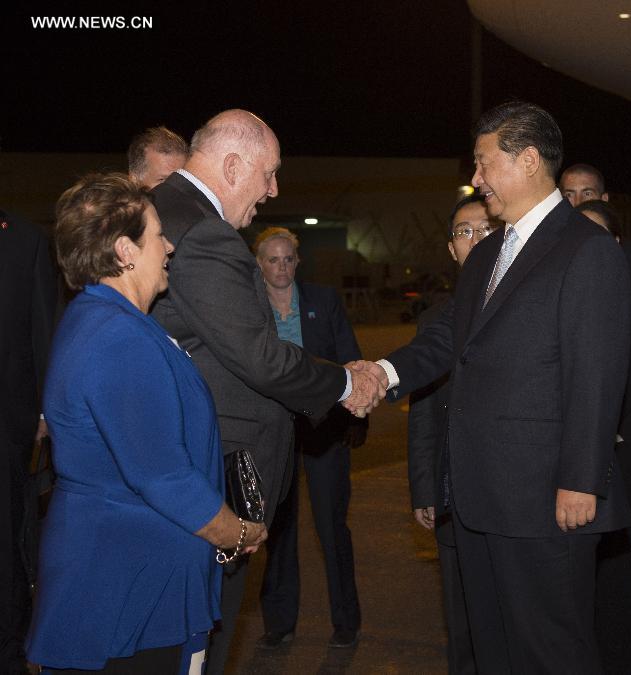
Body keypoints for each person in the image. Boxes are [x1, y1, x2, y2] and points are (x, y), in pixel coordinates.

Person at [349, 101, 631, 673]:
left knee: (552, 652)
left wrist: (581, 480)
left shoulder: (586, 249)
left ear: (528, 161)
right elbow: (449, 339)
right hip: (478, 497)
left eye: (483, 163)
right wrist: (384, 372)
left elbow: (596, 374)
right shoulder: (489, 255)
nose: (475, 179)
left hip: (547, 500)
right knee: (494, 650)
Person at [149, 109, 382, 675]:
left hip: (183, 467)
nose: (273, 190)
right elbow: (255, 355)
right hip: (212, 475)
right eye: (269, 173)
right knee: (198, 638)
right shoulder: (204, 231)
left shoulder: (168, 211)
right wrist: (349, 380)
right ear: (232, 165)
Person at [25, 173, 267, 674]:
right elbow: (161, 475)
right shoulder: (119, 337)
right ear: (124, 251)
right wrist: (237, 532)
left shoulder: (106, 320)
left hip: (125, 575)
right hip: (127, 588)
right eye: (158, 234)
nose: (170, 246)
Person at [253, 227, 366, 650]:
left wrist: (356, 416)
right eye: (272, 260)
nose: (281, 267)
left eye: (288, 259)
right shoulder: (250, 307)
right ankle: (279, 622)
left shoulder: (323, 300)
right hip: (272, 428)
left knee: (331, 525)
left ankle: (346, 621)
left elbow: (348, 355)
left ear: (297, 263)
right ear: (259, 264)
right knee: (278, 528)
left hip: (323, 427)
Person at [407, 194, 496, 673]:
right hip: (451, 487)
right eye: (465, 232)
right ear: (450, 248)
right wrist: (424, 485)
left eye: (485, 229)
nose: (475, 239)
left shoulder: (525, 303)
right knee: (460, 619)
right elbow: (422, 409)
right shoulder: (434, 318)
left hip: (508, 492)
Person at [576, 199, 631, 674]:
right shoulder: (563, 290)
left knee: (614, 569)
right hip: (578, 450)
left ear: (614, 244)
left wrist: (594, 426)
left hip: (619, 446)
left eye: (597, 236)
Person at [0, 209, 56, 675]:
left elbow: (42, 326)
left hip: (8, 424)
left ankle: (9, 646)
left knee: (8, 535)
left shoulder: (25, 238)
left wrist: (41, 411)